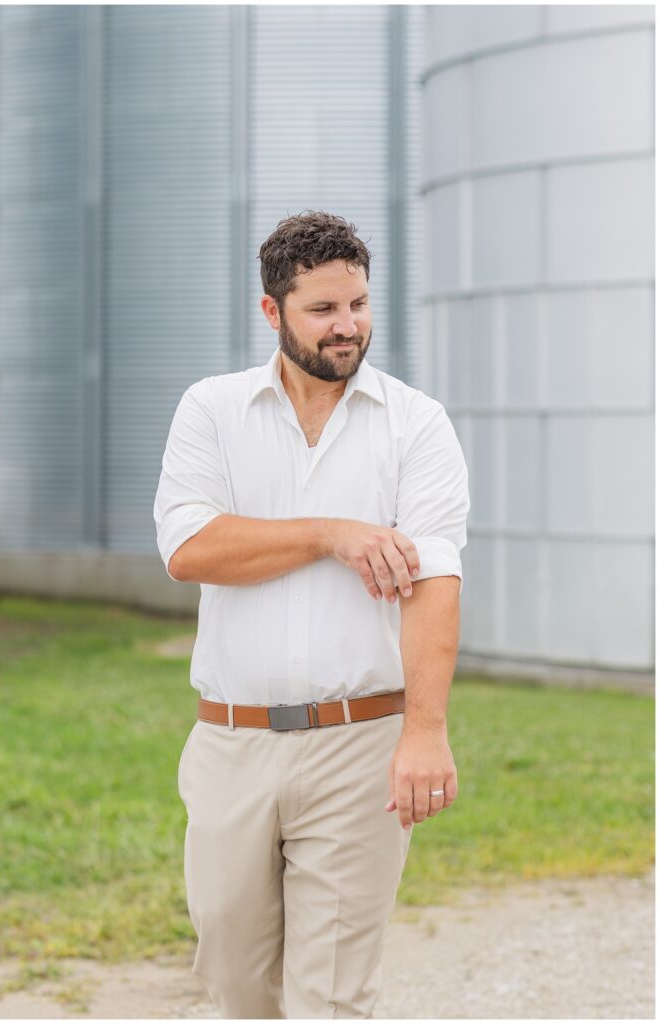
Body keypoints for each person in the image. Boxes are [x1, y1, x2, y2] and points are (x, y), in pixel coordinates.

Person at [153, 210, 470, 1019]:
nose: (348, 326)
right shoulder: (211, 411)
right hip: (231, 743)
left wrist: (424, 733)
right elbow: (190, 548)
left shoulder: (416, 424)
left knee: (330, 998)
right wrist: (332, 533)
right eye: (324, 310)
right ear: (273, 311)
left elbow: (435, 581)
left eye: (359, 305)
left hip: (359, 745)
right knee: (234, 982)